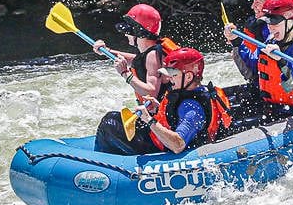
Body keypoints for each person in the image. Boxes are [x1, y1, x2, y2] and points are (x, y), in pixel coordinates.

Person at [94, 48, 232, 155]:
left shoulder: (192, 108)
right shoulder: (188, 92)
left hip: (162, 148)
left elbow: (178, 145)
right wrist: (158, 109)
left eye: (173, 75)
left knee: (109, 123)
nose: (168, 79)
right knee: (113, 118)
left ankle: (100, 171)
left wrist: (149, 119)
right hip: (159, 139)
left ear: (188, 76)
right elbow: (175, 119)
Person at [224, 0, 293, 119]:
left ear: (290, 19)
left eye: (274, 23)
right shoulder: (271, 39)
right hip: (273, 106)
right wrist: (236, 41)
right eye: (268, 23)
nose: (270, 28)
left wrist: (281, 61)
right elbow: (253, 67)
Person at [91, 4, 177, 103]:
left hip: (160, 115)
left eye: (129, 30)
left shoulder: (153, 55)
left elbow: (152, 93)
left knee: (110, 118)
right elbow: (137, 61)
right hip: (159, 111)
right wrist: (107, 51)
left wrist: (125, 73)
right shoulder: (153, 50)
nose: (125, 34)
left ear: (139, 32)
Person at [229, 0, 288, 83]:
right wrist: (235, 41)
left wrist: (281, 60)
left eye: (258, 3)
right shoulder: (260, 26)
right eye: (253, 2)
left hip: (290, 94)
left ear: (273, 4)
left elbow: (252, 70)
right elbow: (253, 69)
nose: (252, 7)